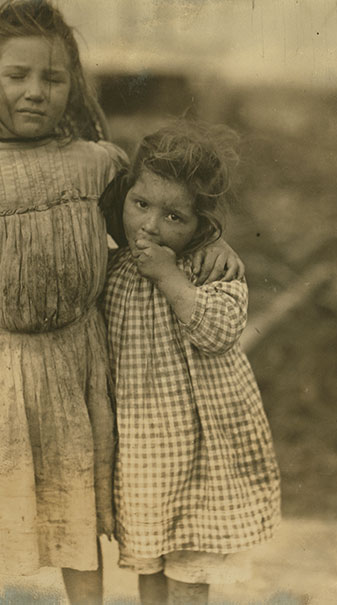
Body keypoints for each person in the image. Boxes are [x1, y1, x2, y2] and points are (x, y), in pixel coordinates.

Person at [0, 2, 242, 602]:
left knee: (78, 523)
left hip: (79, 370)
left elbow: (156, 226)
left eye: (54, 78)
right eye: (17, 75)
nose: (35, 92)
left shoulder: (101, 167)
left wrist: (213, 244)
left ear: (74, 85)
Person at [102, 121, 281, 605]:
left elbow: (218, 333)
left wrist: (169, 277)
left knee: (190, 567)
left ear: (202, 227)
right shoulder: (113, 270)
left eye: (174, 217)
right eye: (141, 204)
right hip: (143, 450)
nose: (150, 226)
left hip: (202, 448)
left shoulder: (210, 270)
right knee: (150, 558)